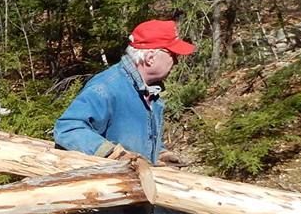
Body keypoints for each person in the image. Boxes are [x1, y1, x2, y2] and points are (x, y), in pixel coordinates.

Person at [53, 19, 195, 164]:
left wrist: (159, 153)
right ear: (150, 58)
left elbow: (136, 137)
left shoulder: (150, 92)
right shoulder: (106, 87)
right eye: (173, 55)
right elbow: (67, 129)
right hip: (109, 183)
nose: (176, 62)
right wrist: (111, 153)